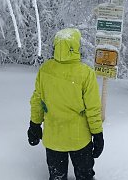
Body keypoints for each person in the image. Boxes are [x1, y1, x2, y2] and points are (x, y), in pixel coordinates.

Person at [27, 28, 104, 180]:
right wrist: (97, 134)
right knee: (85, 176)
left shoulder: (45, 70)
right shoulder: (85, 73)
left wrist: (34, 125)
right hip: (79, 139)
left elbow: (37, 100)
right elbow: (93, 108)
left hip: (54, 138)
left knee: (57, 177)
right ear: (76, 47)